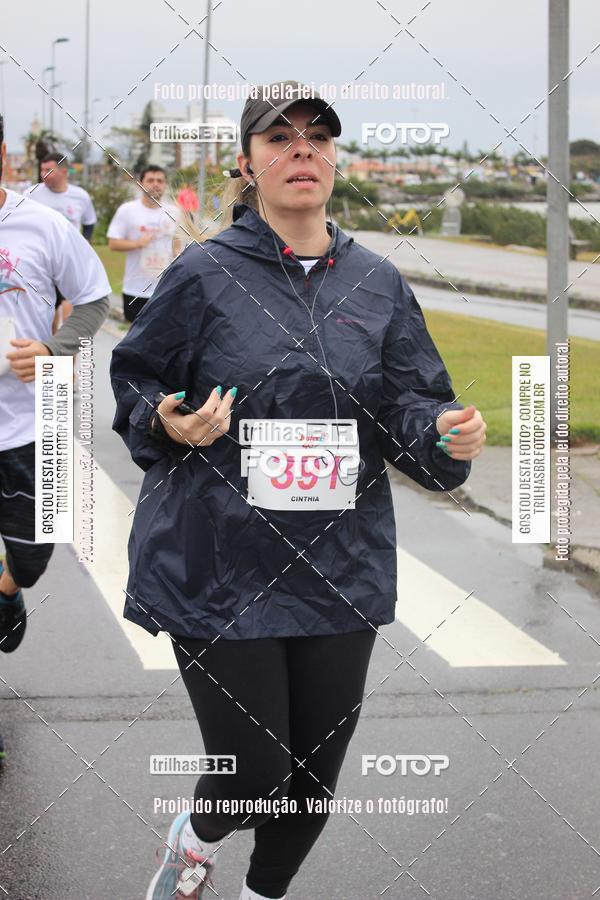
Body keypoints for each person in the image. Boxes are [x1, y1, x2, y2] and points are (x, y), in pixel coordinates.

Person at [110, 81, 487, 900]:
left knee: (311, 783)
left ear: (335, 158)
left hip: (336, 567)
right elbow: (136, 381)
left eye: (318, 137)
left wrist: (445, 434)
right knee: (252, 769)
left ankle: (261, 894)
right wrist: (169, 423)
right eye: (280, 139)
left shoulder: (380, 282)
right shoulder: (203, 274)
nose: (302, 150)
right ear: (247, 164)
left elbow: (410, 404)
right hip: (217, 562)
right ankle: (198, 836)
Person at [0, 113, 111, 760]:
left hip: (31, 424)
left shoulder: (41, 223)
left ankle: (9, 594)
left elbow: (94, 299)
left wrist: (51, 347)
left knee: (34, 558)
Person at [25, 152, 98, 333]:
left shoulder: (80, 196)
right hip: (42, 267)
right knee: (49, 324)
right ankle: (52, 360)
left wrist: (85, 245)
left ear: (64, 171)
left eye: (49, 170)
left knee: (70, 325)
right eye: (42, 170)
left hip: (70, 265)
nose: (44, 174)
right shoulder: (31, 194)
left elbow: (89, 223)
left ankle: (67, 360)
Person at [107, 165, 178, 323]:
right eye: (150, 180)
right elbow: (113, 244)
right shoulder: (127, 210)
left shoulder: (174, 212)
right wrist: (137, 243)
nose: (155, 184)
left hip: (165, 289)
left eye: (160, 180)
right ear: (140, 184)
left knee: (163, 340)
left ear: (165, 185)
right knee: (134, 341)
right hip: (135, 289)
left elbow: (178, 246)